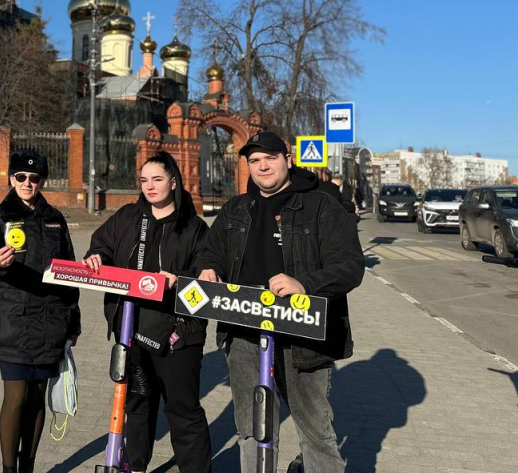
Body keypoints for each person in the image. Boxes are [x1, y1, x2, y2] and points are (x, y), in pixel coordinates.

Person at [195, 130, 364, 473]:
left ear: (288, 159)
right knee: (252, 429)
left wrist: (305, 284)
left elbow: (350, 266)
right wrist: (209, 268)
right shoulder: (237, 208)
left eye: (270, 158)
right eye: (254, 160)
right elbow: (209, 250)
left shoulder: (320, 206)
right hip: (243, 330)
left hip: (302, 338)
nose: (262, 166)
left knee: (315, 433)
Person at [84, 151, 212, 473]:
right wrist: (96, 255)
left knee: (182, 409)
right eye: (144, 180)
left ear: (173, 181)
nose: (150, 186)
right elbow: (102, 244)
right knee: (138, 402)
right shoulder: (128, 217)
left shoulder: (194, 226)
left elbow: (207, 274)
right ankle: (136, 466)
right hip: (132, 326)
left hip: (179, 333)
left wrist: (179, 281)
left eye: (157, 179)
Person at [0, 150, 81, 473]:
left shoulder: (55, 218)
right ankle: (9, 469)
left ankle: (28, 467)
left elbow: (69, 271)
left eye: (34, 178)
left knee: (37, 397)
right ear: (11, 178)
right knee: (16, 396)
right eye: (20, 177)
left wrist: (73, 320)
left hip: (50, 319)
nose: (27, 183)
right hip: (13, 319)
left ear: (42, 181)